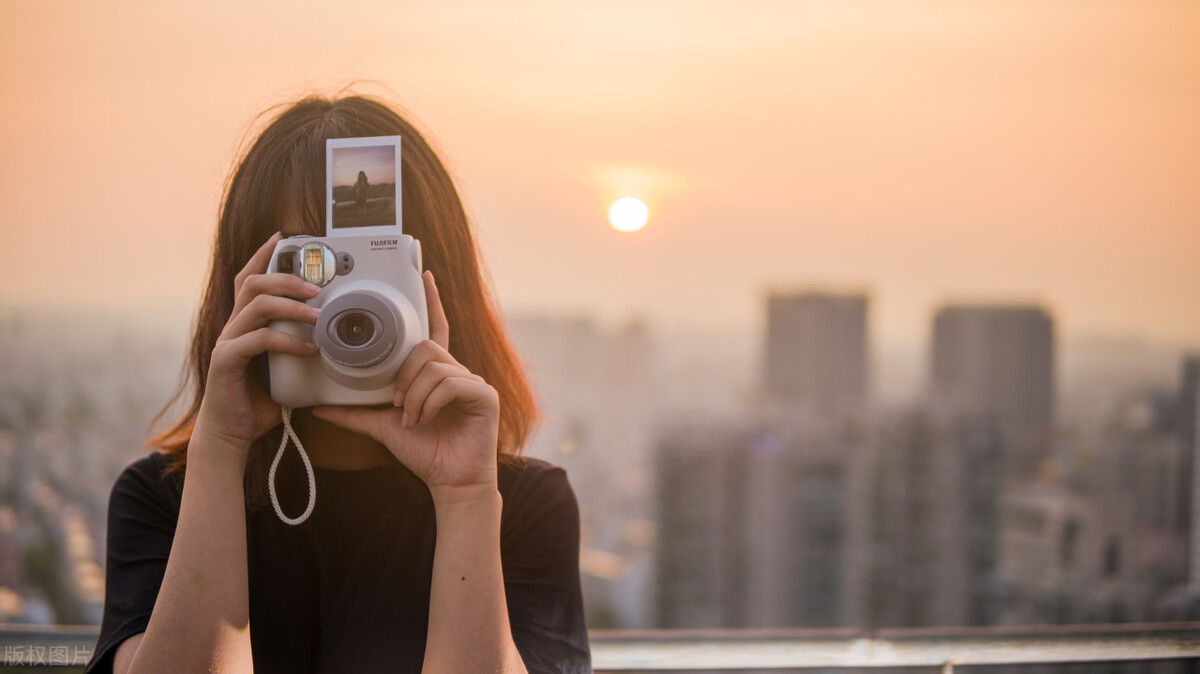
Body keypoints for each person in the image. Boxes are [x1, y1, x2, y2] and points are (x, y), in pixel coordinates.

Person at [84, 95, 592, 673]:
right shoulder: (164, 499)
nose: (346, 310)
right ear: (244, 286)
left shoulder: (519, 507)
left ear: (436, 281)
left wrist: (465, 501)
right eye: (314, 265)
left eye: (373, 263)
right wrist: (220, 451)